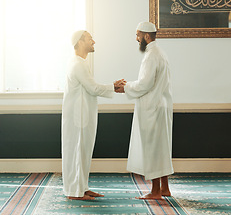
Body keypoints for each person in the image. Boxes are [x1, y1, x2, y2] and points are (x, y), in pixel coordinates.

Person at [62, 30, 125, 200]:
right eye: (90, 39)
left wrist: (112, 86)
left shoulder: (79, 62)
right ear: (80, 41)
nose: (94, 42)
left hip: (82, 116)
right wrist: (113, 86)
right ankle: (75, 192)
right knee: (77, 151)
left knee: (83, 152)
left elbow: (90, 88)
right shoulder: (78, 64)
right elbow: (93, 88)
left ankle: (82, 187)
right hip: (79, 118)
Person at [116, 22, 174, 199]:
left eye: (138, 35)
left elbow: (144, 84)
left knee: (152, 149)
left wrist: (125, 87)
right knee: (162, 148)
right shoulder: (160, 53)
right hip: (160, 106)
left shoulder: (151, 56)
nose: (136, 39)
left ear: (146, 36)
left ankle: (155, 191)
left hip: (152, 108)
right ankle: (165, 188)